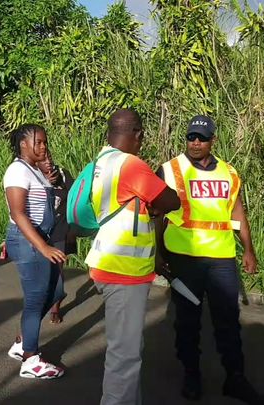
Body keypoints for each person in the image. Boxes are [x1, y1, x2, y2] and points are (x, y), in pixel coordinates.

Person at [156, 115, 264, 404]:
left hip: (221, 257)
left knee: (228, 320)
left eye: (202, 138)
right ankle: (191, 375)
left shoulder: (229, 173)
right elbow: (155, 215)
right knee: (187, 321)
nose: (195, 142)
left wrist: (248, 249)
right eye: (191, 137)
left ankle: (236, 378)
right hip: (184, 257)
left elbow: (237, 213)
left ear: (212, 141)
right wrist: (157, 253)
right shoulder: (170, 169)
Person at [85, 108, 180, 405]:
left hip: (106, 263)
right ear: (137, 133)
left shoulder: (101, 160)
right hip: (123, 271)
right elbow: (170, 200)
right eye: (141, 136)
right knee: (124, 359)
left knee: (126, 350)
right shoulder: (131, 165)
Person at [3, 124, 67, 379]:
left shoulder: (35, 171)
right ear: (23, 144)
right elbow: (18, 213)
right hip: (29, 242)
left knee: (57, 290)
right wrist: (43, 246)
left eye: (45, 142)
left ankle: (23, 341)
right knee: (36, 298)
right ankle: (30, 358)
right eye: (38, 142)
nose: (43, 147)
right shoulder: (17, 171)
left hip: (40, 238)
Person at [35, 151, 76, 324]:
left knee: (58, 272)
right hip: (39, 232)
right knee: (41, 274)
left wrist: (58, 182)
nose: (48, 162)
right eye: (43, 159)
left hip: (60, 231)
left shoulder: (63, 174)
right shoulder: (33, 176)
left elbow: (75, 196)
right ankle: (38, 306)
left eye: (50, 158)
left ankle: (55, 308)